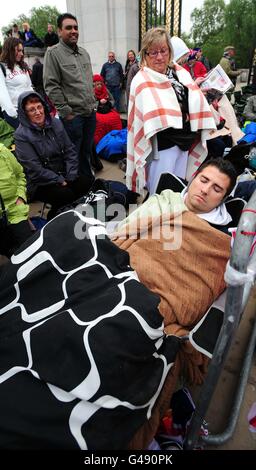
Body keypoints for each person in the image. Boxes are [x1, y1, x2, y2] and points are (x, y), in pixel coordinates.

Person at [126, 27, 216, 196]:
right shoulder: (142, 80)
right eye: (153, 52)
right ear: (145, 55)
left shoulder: (178, 72)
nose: (159, 57)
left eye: (163, 51)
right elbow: (142, 119)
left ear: (170, 51)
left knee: (177, 191)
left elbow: (184, 98)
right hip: (162, 147)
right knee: (159, 194)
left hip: (184, 141)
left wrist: (197, 95)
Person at [14, 91, 94, 220]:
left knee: (86, 182)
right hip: (39, 181)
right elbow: (34, 168)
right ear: (25, 114)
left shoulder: (55, 123)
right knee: (65, 194)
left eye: (39, 107)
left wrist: (71, 173)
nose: (38, 112)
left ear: (44, 107)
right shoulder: (21, 135)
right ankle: (56, 217)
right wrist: (59, 179)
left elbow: (70, 150)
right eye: (31, 110)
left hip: (63, 172)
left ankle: (77, 215)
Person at [119, 158, 238, 234]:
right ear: (193, 178)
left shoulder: (219, 234)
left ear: (223, 199)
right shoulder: (163, 200)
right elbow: (123, 229)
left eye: (216, 189)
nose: (205, 190)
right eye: (203, 180)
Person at [43, 13, 96, 180]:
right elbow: (51, 86)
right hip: (73, 117)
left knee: (86, 153)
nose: (74, 31)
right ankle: (76, 188)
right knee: (73, 156)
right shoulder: (53, 53)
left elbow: (88, 81)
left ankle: (88, 184)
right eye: (68, 28)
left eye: (76, 27)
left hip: (90, 114)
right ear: (59, 31)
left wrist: (93, 105)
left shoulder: (84, 53)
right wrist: (67, 113)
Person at [0, 143, 33, 257]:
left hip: (15, 210)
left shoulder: (3, 151)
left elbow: (19, 175)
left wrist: (20, 197)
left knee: (29, 249)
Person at [0, 37, 33, 129]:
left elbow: (29, 87)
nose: (21, 54)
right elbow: (2, 94)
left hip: (29, 110)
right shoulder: (2, 67)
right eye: (18, 50)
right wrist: (14, 115)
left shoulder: (22, 66)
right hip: (15, 113)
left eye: (22, 50)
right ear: (9, 50)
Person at [93, 74, 122, 145]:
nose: (99, 86)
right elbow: (91, 103)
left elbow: (112, 100)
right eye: (97, 84)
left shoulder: (106, 90)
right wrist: (99, 102)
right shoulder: (92, 92)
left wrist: (108, 102)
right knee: (100, 121)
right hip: (97, 110)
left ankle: (116, 138)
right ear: (94, 85)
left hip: (107, 108)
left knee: (116, 117)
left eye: (100, 84)